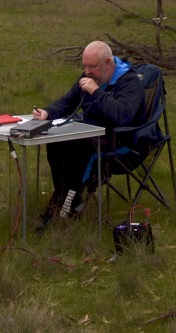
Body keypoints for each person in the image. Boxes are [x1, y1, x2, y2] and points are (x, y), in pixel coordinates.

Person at [32, 39, 146, 226]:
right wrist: (48, 112)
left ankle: (63, 203)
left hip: (123, 142)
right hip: (91, 134)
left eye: (91, 67)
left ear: (108, 63)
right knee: (55, 140)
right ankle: (67, 198)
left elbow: (122, 116)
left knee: (79, 148)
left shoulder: (130, 82)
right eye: (84, 66)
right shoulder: (89, 77)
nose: (87, 72)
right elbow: (68, 101)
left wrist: (96, 92)